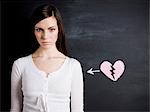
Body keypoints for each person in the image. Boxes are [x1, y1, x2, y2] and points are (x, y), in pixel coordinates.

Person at [10, 4, 84, 112]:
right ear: (33, 31)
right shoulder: (20, 65)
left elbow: (77, 110)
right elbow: (15, 109)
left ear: (59, 29)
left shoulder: (73, 66)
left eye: (51, 29)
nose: (45, 36)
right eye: (39, 29)